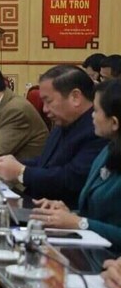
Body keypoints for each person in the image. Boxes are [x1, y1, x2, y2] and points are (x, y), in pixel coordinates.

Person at [0, 66, 107, 208]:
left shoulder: (98, 130)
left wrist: (21, 172)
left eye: (48, 101)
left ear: (75, 97)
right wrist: (12, 164)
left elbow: (73, 178)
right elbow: (47, 162)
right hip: (40, 205)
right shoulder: (63, 121)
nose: (44, 109)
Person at [29, 79, 121, 251]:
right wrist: (69, 213)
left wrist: (79, 222)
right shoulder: (108, 150)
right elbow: (95, 212)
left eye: (96, 111)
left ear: (114, 122)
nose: (91, 116)